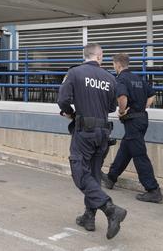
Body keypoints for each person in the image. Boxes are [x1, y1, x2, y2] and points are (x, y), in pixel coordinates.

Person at [58, 43, 127, 240]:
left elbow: (62, 100)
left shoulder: (75, 73)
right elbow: (113, 108)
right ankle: (89, 216)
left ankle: (110, 208)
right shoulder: (110, 78)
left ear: (86, 55)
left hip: (85, 131)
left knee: (79, 171)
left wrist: (71, 114)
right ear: (98, 57)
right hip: (103, 133)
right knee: (94, 174)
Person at [101, 53, 162, 203]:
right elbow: (152, 95)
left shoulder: (121, 79)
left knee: (139, 155)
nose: (113, 67)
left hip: (133, 120)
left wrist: (121, 111)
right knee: (126, 148)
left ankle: (153, 189)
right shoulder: (138, 78)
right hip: (141, 119)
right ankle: (111, 177)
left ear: (118, 65)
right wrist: (143, 106)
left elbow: (122, 97)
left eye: (114, 65)